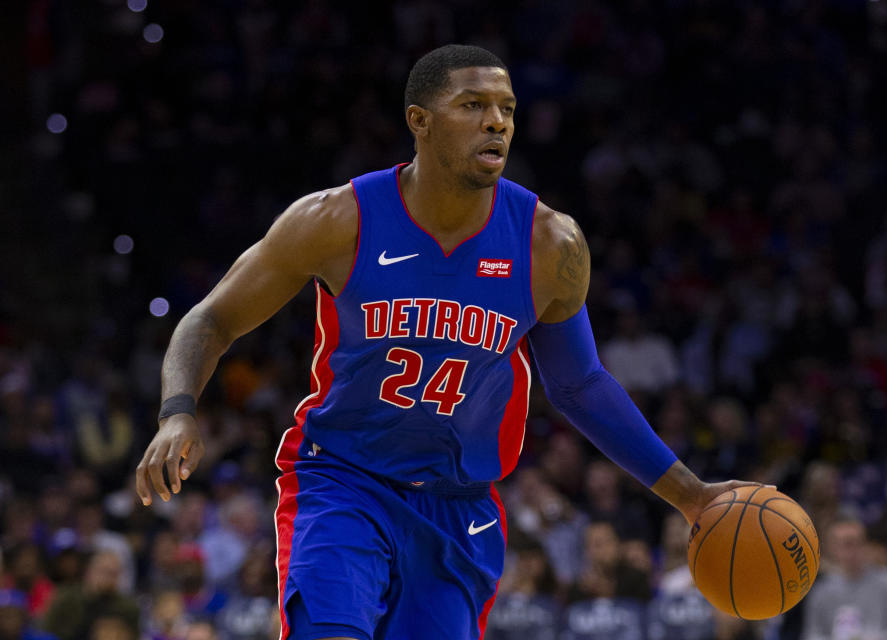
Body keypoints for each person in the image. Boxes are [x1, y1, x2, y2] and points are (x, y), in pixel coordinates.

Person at [135, 44, 759, 640]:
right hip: (345, 481)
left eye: (507, 110)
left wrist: (692, 495)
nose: (496, 123)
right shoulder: (337, 220)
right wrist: (177, 412)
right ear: (420, 121)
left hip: (459, 507)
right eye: (472, 106)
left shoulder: (549, 244)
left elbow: (579, 384)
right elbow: (210, 319)